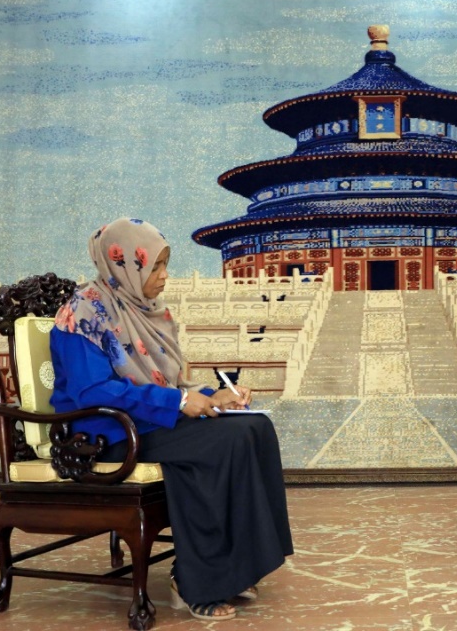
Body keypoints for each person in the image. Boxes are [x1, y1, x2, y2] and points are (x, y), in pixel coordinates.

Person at [50, 217, 293, 621]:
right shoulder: (81, 313)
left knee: (254, 427)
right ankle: (196, 581)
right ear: (125, 265)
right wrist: (178, 402)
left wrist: (212, 396)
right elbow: (93, 392)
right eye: (155, 266)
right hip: (107, 431)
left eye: (165, 264)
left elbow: (168, 382)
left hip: (150, 418)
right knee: (220, 442)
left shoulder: (146, 310)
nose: (164, 276)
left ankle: (239, 565)